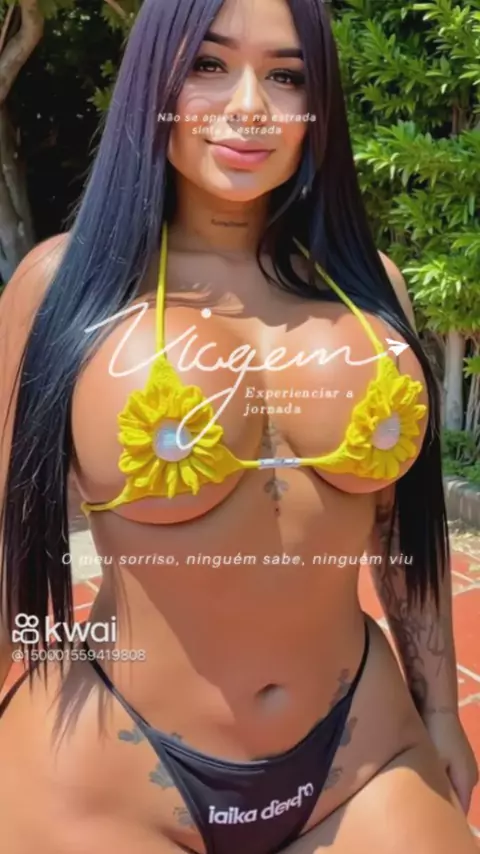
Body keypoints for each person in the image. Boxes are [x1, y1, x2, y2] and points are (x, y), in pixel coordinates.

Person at [0, 0, 478, 851]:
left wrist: (440, 709)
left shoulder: (370, 290)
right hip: (116, 763)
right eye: (208, 65)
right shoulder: (61, 287)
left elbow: (400, 531)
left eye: (287, 75)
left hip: (358, 750)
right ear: (153, 81)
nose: (250, 105)